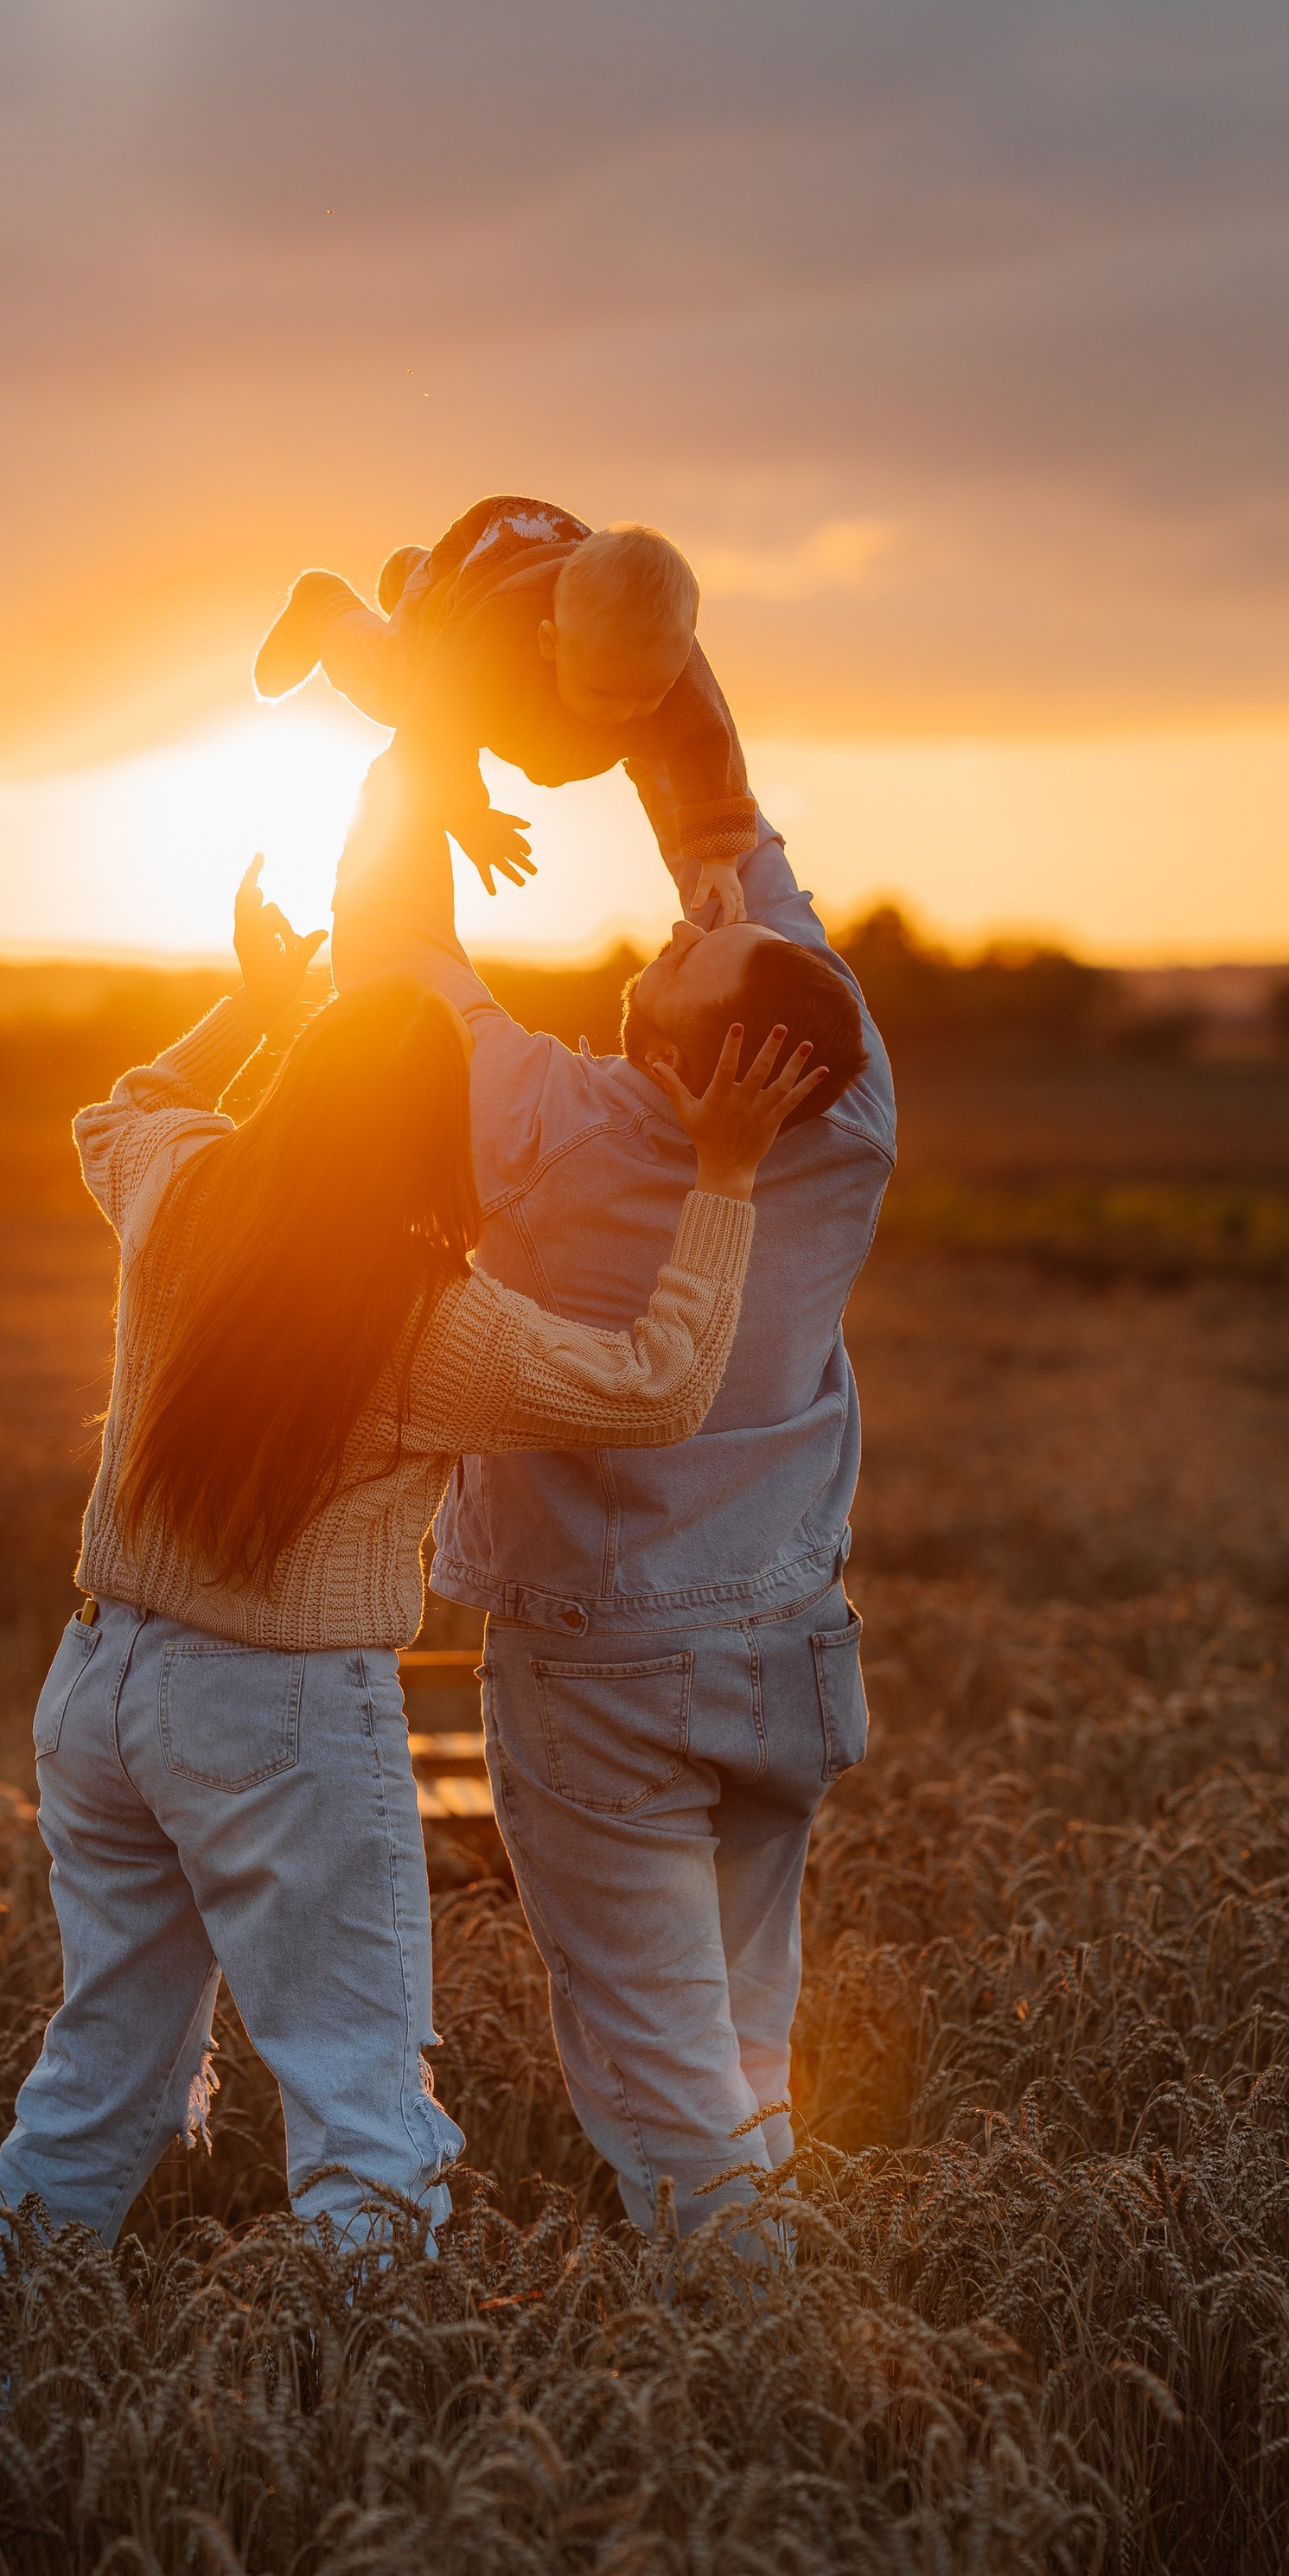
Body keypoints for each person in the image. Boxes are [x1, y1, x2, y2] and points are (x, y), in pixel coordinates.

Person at [0, 860, 820, 2274]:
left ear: (300, 1089)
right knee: (365, 2116)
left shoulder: (186, 1200)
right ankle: (354, 2443)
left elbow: (119, 1111)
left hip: (101, 1690)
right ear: (436, 1138)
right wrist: (724, 1177)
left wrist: (247, 1006)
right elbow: (658, 1388)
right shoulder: (428, 1316)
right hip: (281, 1721)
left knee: (92, 2094)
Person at [331, 764, 897, 2242]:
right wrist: (722, 909)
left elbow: (389, 943)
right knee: (743, 2046)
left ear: (684, 1062)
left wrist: (422, 744)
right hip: (789, 1645)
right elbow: (751, 874)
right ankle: (772, 2339)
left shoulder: (546, 1131)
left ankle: (760, 2392)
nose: (667, 934)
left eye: (676, 956)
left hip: (610, 1675)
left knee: (664, 2085)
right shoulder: (853, 1122)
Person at [252, 493, 759, 922]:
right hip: (458, 610)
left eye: (650, 697)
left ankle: (414, 577)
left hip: (498, 566)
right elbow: (433, 731)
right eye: (603, 693)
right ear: (549, 642)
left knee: (676, 721)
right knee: (395, 690)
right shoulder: (489, 642)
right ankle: (326, 604)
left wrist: (717, 855)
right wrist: (468, 816)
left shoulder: (671, 665)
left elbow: (710, 743)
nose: (626, 714)